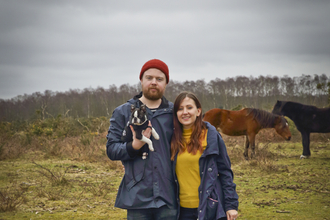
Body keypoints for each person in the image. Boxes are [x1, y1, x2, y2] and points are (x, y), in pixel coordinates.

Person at [106, 59, 177, 220]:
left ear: (166, 83)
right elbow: (111, 149)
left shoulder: (175, 113)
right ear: (141, 80)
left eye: (159, 79)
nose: (154, 82)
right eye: (149, 78)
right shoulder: (123, 112)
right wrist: (134, 146)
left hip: (169, 195)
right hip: (137, 196)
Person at [171, 91, 239, 220]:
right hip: (180, 211)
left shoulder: (211, 136)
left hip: (209, 207)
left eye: (189, 107)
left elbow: (225, 172)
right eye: (180, 109)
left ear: (198, 111)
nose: (185, 112)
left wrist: (231, 205)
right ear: (176, 114)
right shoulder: (170, 139)